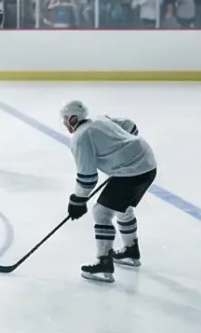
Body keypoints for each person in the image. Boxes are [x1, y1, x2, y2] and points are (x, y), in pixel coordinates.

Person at [60, 100, 155, 284]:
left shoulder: (80, 137)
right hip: (148, 163)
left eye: (65, 119)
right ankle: (131, 252)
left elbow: (87, 175)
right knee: (121, 207)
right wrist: (124, 151)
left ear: (73, 119)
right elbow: (130, 126)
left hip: (133, 171)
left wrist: (78, 200)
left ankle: (104, 264)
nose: (64, 123)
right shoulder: (100, 119)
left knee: (101, 212)